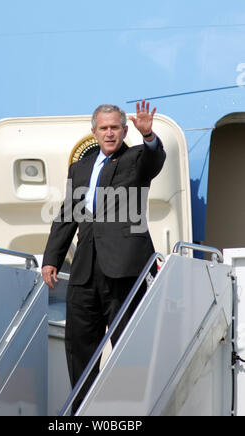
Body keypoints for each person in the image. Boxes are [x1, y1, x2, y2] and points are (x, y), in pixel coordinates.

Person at [42, 100, 166, 413]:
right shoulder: (80, 167)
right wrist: (52, 257)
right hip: (85, 269)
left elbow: (155, 159)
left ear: (125, 130)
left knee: (128, 345)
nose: (109, 133)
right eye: (104, 128)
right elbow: (68, 213)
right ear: (94, 132)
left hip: (125, 269)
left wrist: (149, 137)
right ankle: (83, 411)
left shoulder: (136, 158)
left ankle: (131, 411)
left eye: (115, 128)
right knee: (79, 345)